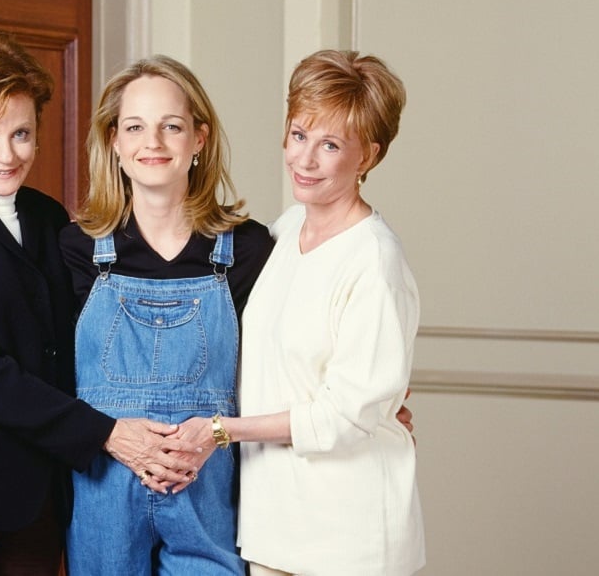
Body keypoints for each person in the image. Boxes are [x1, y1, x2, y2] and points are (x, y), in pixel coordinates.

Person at [0, 30, 196, 576]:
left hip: (35, 500)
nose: (7, 154)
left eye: (21, 133)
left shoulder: (53, 221)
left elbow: (89, 338)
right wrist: (108, 433)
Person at [170, 50, 426, 575]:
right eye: (298, 135)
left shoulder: (374, 261)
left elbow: (343, 416)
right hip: (274, 529)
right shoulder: (286, 231)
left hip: (347, 539)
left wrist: (223, 430)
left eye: (330, 144)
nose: (304, 160)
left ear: (368, 156)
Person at [58, 56, 274, 574]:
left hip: (210, 497)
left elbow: (287, 357)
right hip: (102, 492)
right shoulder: (74, 248)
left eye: (170, 126)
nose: (152, 143)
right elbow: (36, 364)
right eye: (135, 126)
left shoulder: (249, 249)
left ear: (199, 138)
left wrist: (373, 401)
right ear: (114, 140)